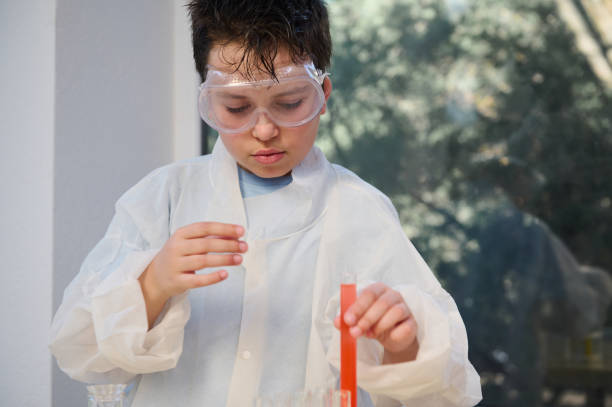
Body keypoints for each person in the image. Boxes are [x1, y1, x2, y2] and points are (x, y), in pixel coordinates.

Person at [49, 1, 482, 406]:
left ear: (323, 95)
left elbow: (443, 390)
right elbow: (82, 354)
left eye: (289, 103)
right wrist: (153, 283)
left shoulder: (360, 212)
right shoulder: (163, 199)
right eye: (236, 108)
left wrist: (403, 342)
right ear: (209, 100)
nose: (264, 130)